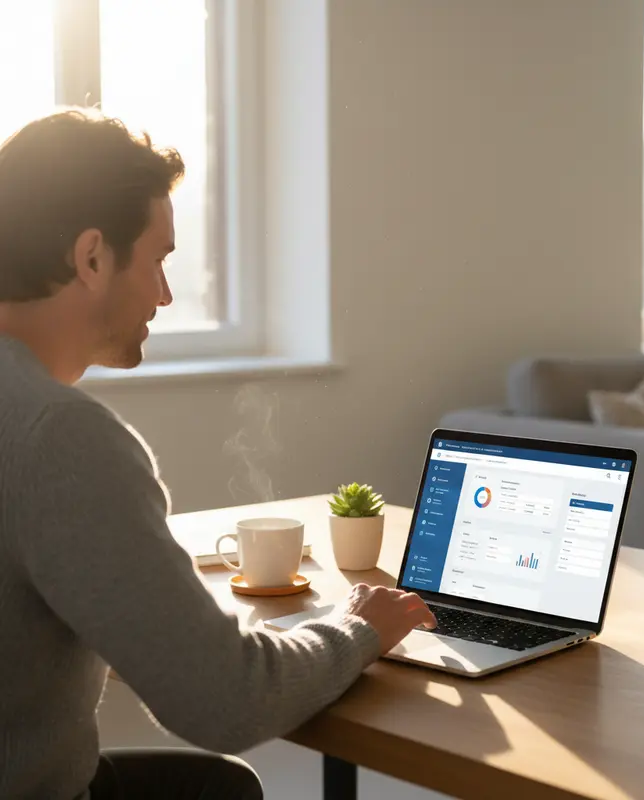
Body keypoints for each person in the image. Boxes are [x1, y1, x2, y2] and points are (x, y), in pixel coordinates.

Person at [0, 109, 437, 800]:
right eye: (158, 260)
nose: (166, 294)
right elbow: (224, 700)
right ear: (90, 257)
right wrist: (357, 629)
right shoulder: (58, 437)